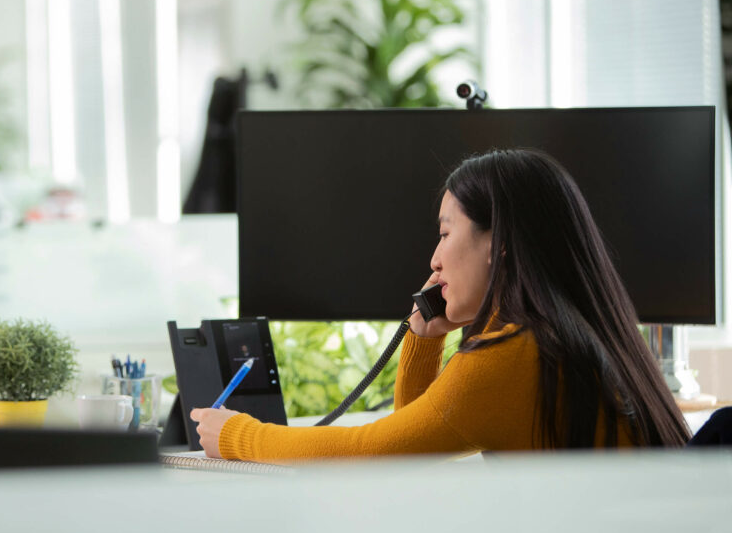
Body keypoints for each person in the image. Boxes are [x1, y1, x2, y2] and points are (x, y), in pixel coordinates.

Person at [190, 148, 690, 460]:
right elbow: (420, 442)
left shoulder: (511, 356)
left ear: (500, 244)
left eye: (446, 233)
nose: (433, 258)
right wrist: (425, 342)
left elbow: (377, 451)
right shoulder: (567, 333)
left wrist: (239, 436)